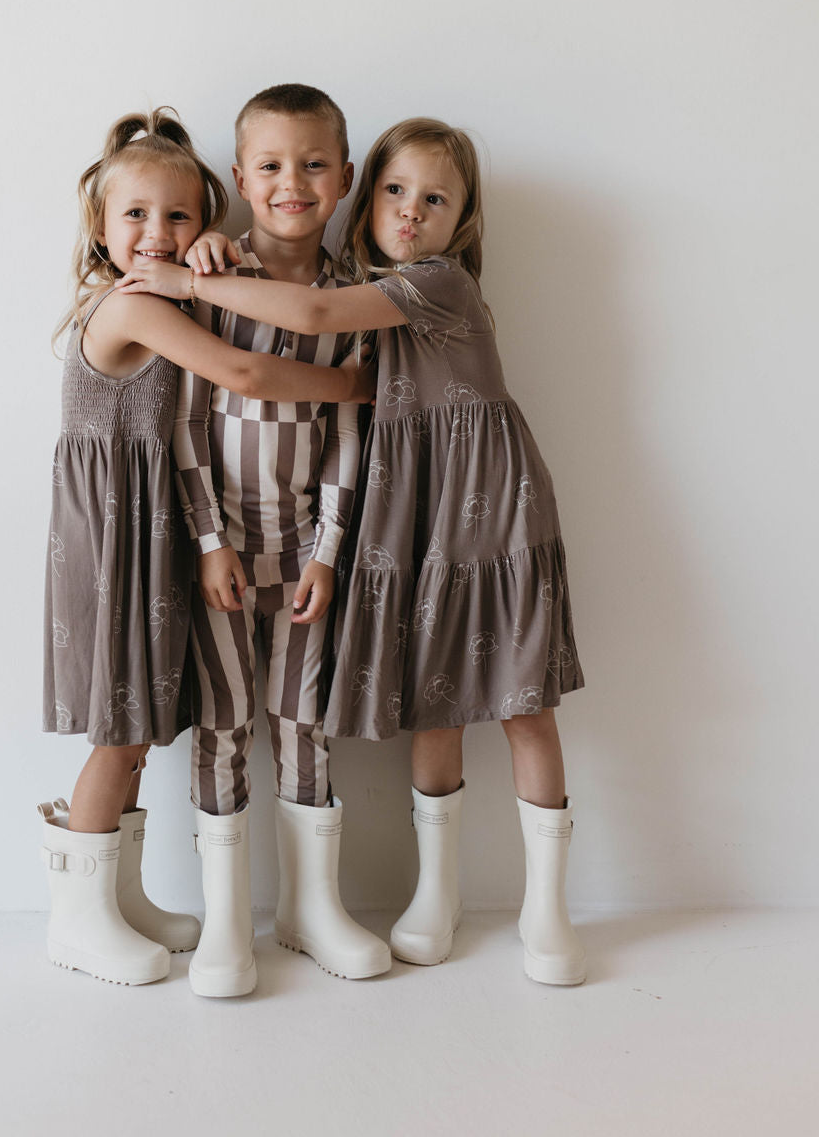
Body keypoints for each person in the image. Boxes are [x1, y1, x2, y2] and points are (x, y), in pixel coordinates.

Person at [122, 115, 587, 987]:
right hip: (417, 529)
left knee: (525, 702)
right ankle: (433, 900)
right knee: (433, 700)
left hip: (491, 521)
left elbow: (314, 316)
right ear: (365, 197)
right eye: (397, 191)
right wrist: (212, 257)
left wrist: (183, 276)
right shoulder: (366, 285)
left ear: (464, 218)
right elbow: (264, 363)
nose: (411, 212)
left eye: (435, 197)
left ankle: (547, 912)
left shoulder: (430, 284)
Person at [39, 108, 374, 988]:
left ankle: (126, 896)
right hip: (117, 536)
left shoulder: (174, 282)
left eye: (180, 217)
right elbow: (242, 374)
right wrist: (349, 383)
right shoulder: (131, 304)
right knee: (120, 728)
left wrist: (211, 261)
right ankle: (76, 916)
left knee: (143, 721)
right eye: (136, 216)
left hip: (149, 534)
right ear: (101, 229)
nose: (157, 234)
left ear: (208, 221)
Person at [131, 83, 391, 998]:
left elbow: (352, 434)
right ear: (239, 179)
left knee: (305, 720)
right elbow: (188, 417)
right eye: (271, 166)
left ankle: (311, 912)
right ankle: (227, 925)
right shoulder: (213, 278)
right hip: (224, 554)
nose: (293, 182)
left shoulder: (355, 297)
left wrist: (327, 549)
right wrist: (207, 539)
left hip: (307, 554)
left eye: (315, 164)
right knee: (226, 723)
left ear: (347, 179)